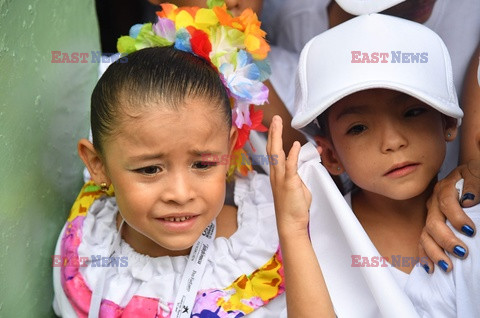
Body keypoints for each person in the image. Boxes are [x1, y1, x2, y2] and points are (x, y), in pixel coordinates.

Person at [52, 3, 286, 317]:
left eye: (202, 164)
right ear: (98, 166)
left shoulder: (265, 246)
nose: (179, 193)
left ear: (228, 151)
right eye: (150, 169)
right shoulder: (87, 251)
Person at [267, 13, 479, 317]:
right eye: (358, 128)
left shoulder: (474, 216)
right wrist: (294, 232)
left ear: (448, 120)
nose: (392, 141)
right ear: (330, 156)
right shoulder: (311, 241)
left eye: (412, 111)